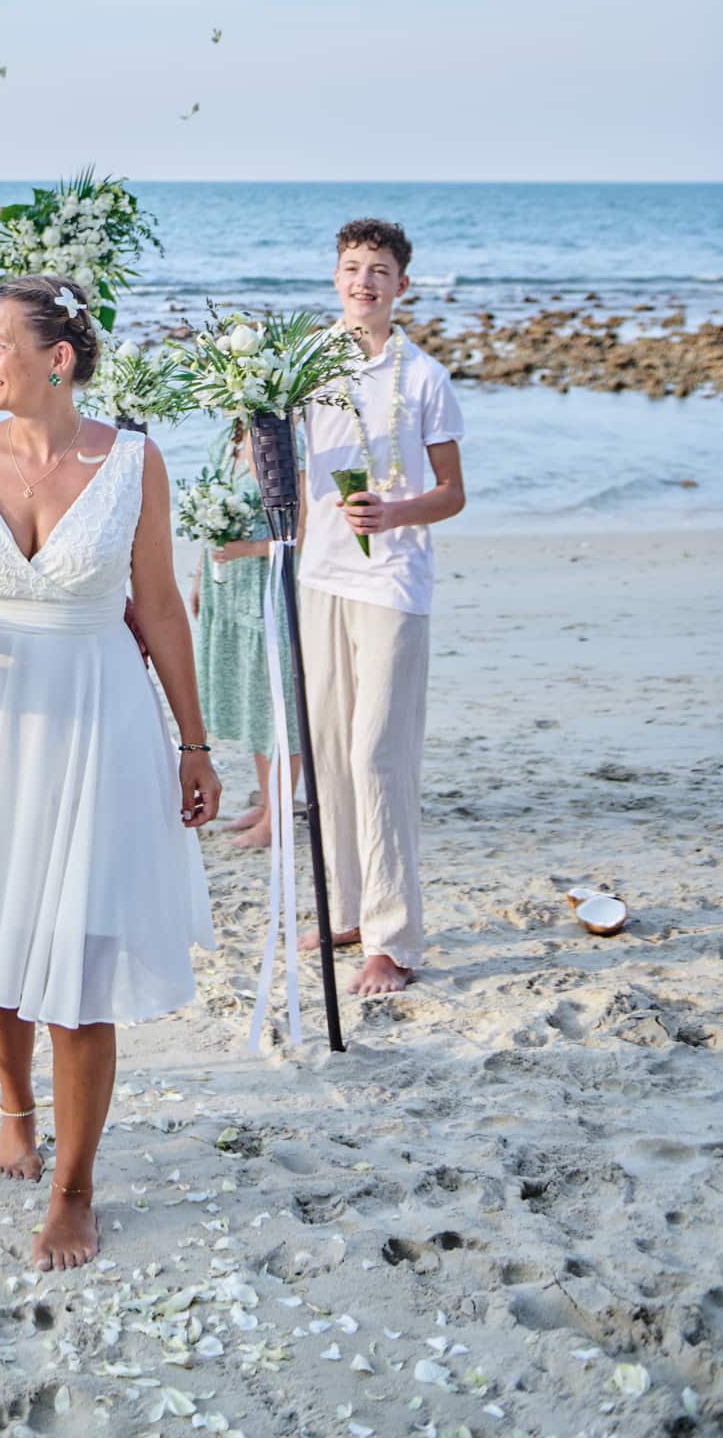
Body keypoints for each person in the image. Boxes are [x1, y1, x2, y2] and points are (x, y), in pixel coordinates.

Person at [0, 275, 219, 1273]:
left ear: (58, 359)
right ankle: (15, 1107)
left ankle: (75, 1187)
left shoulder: (133, 462)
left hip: (97, 719)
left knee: (80, 958)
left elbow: (159, 606)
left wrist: (195, 743)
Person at [300, 218, 466, 997]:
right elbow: (269, 454)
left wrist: (395, 514)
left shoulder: (425, 376)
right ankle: (346, 912)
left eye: (377, 270)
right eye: (350, 267)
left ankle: (392, 940)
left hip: (393, 583)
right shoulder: (305, 365)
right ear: (335, 278)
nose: (361, 280)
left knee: (376, 756)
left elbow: (452, 493)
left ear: (401, 284)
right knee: (328, 752)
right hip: (319, 577)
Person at [190, 422, 301, 850]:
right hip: (229, 589)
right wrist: (200, 577)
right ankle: (266, 803)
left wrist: (247, 551)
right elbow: (209, 520)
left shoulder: (290, 442)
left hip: (269, 588)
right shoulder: (227, 439)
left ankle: (279, 818)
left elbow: (303, 532)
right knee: (256, 701)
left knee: (280, 704)